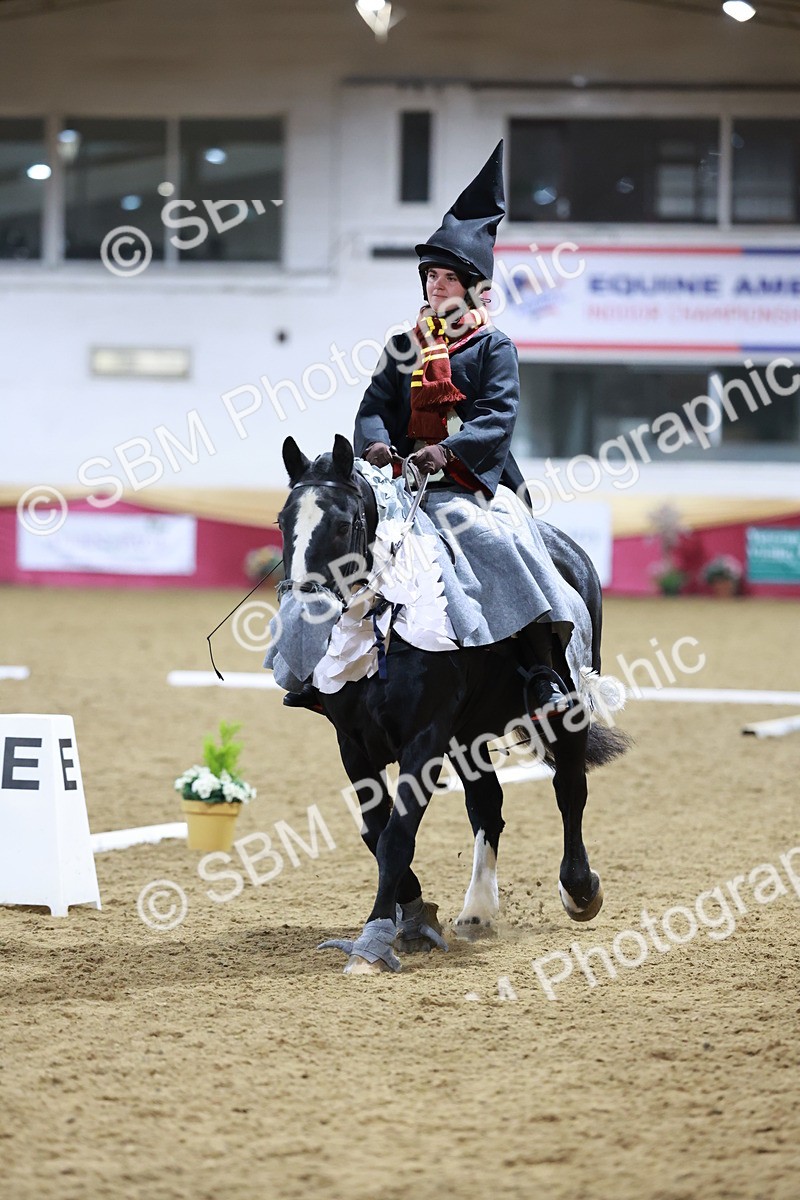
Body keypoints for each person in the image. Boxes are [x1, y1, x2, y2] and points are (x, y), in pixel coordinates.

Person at [285, 141, 578, 716]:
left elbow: (497, 417)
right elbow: (374, 404)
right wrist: (376, 447)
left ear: (471, 288)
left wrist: (445, 453)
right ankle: (322, 669)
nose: (435, 286)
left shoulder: (494, 346)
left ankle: (543, 669)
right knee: (341, 550)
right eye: (430, 276)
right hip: (398, 481)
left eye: (447, 278)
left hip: (466, 481)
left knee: (501, 542)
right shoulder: (404, 345)